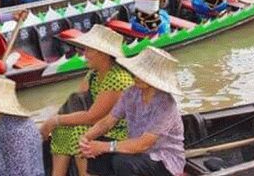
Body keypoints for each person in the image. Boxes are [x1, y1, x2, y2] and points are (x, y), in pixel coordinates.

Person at [40, 26, 134, 176]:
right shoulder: (93, 74)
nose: (85, 55)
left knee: (80, 131)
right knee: (62, 129)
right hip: (101, 125)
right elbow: (78, 103)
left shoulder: (117, 78)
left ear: (103, 54)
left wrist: (54, 120)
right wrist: (55, 121)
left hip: (120, 131)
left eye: (89, 50)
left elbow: (93, 117)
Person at [79, 47, 185, 176]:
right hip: (137, 153)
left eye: (142, 75)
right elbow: (108, 122)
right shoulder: (131, 93)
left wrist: (103, 147)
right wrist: (87, 138)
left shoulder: (165, 104)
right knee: (95, 150)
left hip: (164, 160)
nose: (136, 76)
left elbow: (143, 145)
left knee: (122, 162)